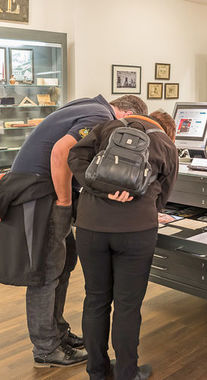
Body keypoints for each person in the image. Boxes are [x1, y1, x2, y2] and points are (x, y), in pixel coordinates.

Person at [6, 94, 147, 368]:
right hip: (39, 192)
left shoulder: (88, 105)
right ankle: (46, 348)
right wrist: (65, 202)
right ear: (124, 114)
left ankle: (57, 333)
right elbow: (61, 152)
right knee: (46, 272)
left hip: (38, 188)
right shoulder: (101, 117)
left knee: (65, 261)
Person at [68, 111, 179, 380]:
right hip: (135, 230)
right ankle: (127, 374)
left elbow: (74, 157)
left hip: (91, 226)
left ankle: (97, 372)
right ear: (168, 129)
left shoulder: (106, 127)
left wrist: (100, 188)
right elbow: (165, 193)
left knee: (96, 299)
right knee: (128, 306)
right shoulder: (166, 144)